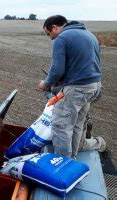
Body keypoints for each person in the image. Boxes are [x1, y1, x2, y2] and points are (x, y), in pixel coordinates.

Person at [38, 15, 106, 159]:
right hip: (94, 87)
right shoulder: (89, 35)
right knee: (76, 124)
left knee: (60, 127)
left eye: (49, 34)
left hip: (78, 89)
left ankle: (63, 167)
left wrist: (46, 84)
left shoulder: (62, 38)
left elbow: (57, 70)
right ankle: (72, 160)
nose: (50, 38)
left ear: (55, 27)